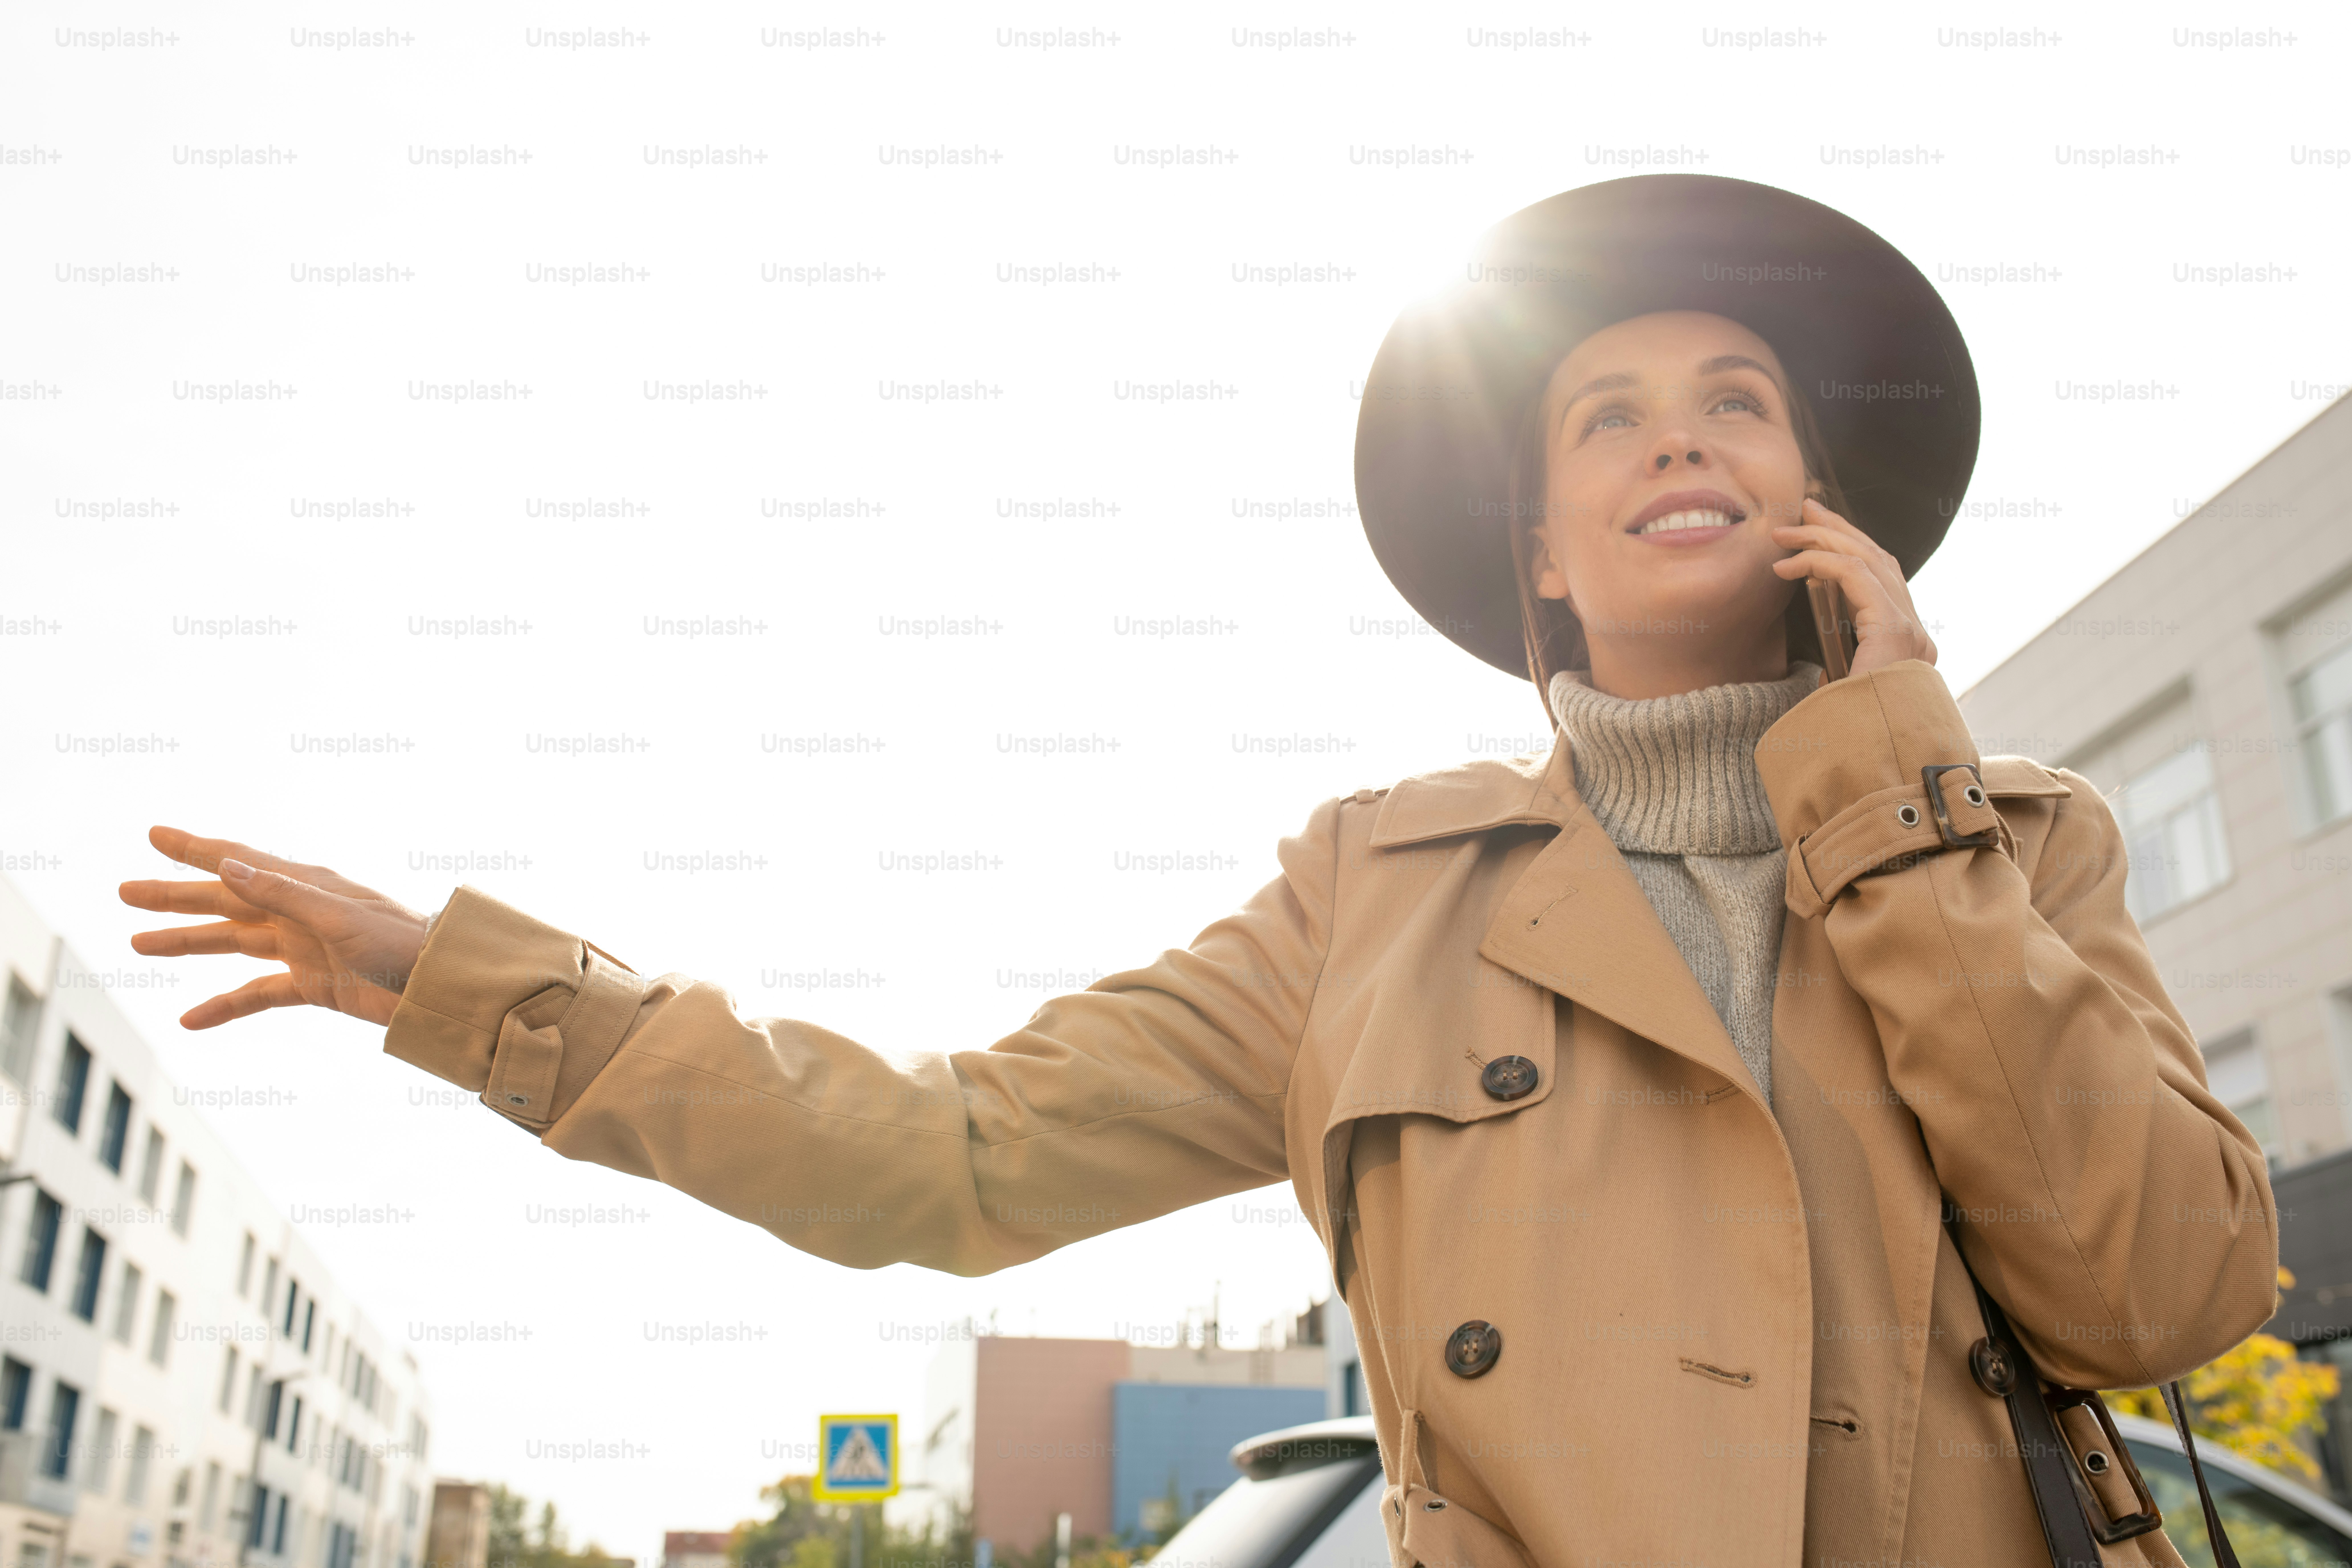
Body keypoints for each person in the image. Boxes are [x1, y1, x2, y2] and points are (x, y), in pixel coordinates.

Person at [121, 176, 2275, 1567]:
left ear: (1818, 492)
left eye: (1737, 400)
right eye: (1605, 414)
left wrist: (1897, 785)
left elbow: (2159, 1299)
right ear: (1540, 547)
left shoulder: (2019, 843)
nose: (1679, 435)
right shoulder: (1375, 894)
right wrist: (479, 985)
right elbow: (940, 1154)